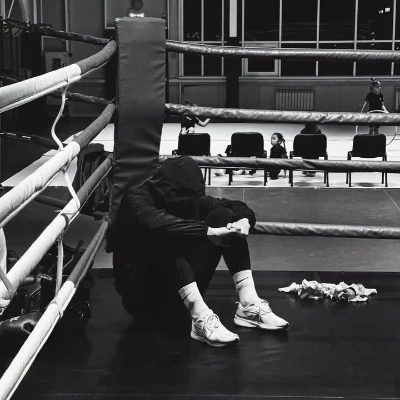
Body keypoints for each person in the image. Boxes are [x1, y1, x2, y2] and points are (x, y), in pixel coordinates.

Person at [113, 156, 289, 348]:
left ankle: (248, 304)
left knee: (225, 216)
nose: (188, 203)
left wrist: (244, 221)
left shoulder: (191, 200)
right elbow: (153, 222)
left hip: (179, 296)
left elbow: (236, 206)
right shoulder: (137, 198)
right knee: (162, 233)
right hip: (141, 300)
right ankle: (199, 317)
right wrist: (208, 231)